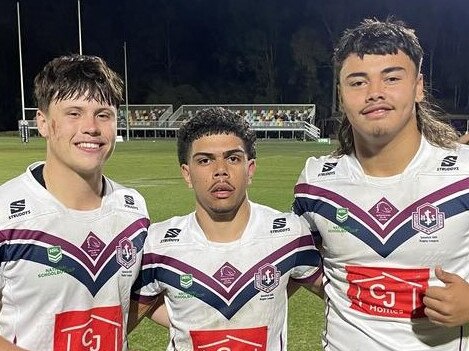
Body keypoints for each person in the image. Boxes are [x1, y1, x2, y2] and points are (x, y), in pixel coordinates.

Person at [293, 18, 469, 350]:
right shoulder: (315, 183)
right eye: (357, 82)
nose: (375, 93)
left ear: (418, 87)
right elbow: (297, 263)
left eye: (391, 78)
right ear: (341, 95)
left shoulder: (463, 174)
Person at [131, 107, 322, 350]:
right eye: (205, 160)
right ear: (187, 174)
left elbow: (341, 294)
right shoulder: (158, 243)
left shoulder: (289, 235)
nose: (220, 170)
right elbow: (122, 316)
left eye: (233, 158)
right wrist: (185, 319)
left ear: (250, 169)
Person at [0, 55, 150, 351]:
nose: (91, 127)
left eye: (103, 114)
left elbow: (144, 296)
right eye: (74, 113)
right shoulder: (5, 212)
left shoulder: (133, 210)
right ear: (42, 122)